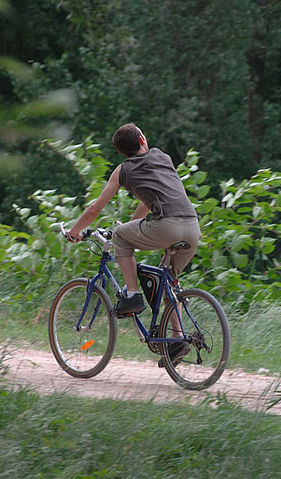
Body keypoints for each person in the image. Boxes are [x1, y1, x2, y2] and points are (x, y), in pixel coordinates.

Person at [66, 123, 201, 361]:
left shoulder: (123, 170)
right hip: (192, 227)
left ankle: (132, 294)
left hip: (167, 226)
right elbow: (153, 198)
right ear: (142, 139)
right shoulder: (163, 157)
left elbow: (96, 208)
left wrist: (74, 231)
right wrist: (131, 224)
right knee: (168, 282)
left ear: (122, 152)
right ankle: (178, 339)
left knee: (119, 237)